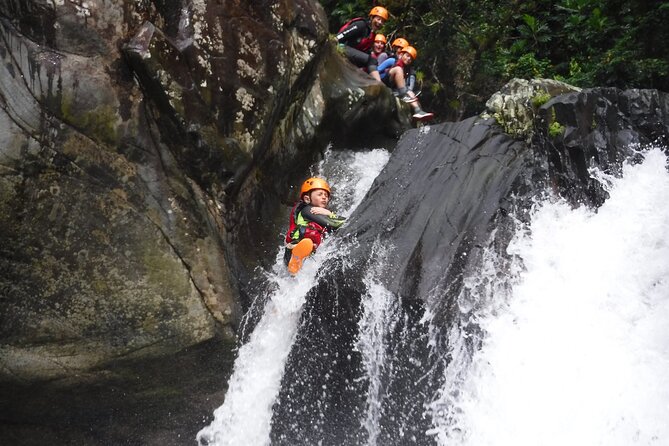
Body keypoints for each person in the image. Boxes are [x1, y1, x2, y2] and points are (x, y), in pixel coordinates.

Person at [284, 177, 346, 275]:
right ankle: (295, 259)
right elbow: (337, 224)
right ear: (307, 198)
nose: (324, 197)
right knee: (308, 241)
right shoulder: (308, 210)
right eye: (320, 194)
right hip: (294, 248)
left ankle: (295, 267)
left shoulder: (315, 212)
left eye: (326, 195)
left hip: (304, 254)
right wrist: (330, 214)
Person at [335, 6, 389, 82]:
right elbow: (342, 34)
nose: (380, 22)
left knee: (372, 61)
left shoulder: (371, 34)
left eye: (382, 21)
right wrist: (334, 41)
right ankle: (378, 84)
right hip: (342, 47)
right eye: (378, 19)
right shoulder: (361, 25)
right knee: (371, 60)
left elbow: (365, 51)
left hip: (351, 53)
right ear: (371, 18)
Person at [383, 46, 434, 121]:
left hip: (395, 88)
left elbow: (403, 83)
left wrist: (409, 91)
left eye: (411, 58)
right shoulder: (393, 60)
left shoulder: (408, 69)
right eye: (407, 56)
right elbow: (378, 69)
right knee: (398, 69)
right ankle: (404, 95)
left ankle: (418, 111)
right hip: (386, 80)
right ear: (401, 55)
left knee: (410, 92)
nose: (408, 59)